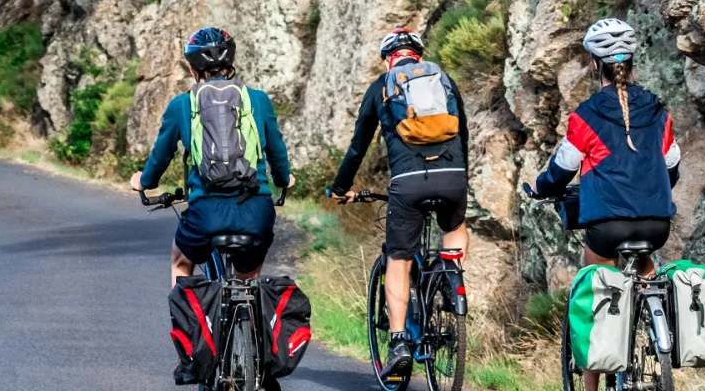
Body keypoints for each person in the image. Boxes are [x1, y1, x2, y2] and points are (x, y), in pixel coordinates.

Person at [528, 18, 681, 391]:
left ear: (595, 64)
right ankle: (652, 317)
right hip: (657, 223)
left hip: (608, 225)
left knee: (594, 291)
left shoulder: (588, 114)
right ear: (631, 62)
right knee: (644, 267)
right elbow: (672, 165)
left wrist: (543, 186)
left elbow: (564, 166)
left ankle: (591, 387)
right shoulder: (658, 109)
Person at [326, 27, 470, 379]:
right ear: (418, 54)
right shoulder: (443, 78)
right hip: (454, 175)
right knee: (454, 227)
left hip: (407, 183)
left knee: (399, 259)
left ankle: (399, 340)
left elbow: (358, 146)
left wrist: (339, 187)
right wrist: (459, 175)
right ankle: (452, 277)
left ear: (388, 58)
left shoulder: (382, 87)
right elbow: (463, 130)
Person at [130, 27, 295, 283]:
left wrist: (144, 182)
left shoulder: (181, 105)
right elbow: (277, 152)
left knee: (181, 261)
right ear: (232, 63)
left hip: (205, 212)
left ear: (192, 70)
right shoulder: (258, 100)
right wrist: (284, 180)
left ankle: (186, 323)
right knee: (249, 275)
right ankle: (250, 313)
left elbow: (160, 157)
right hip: (256, 211)